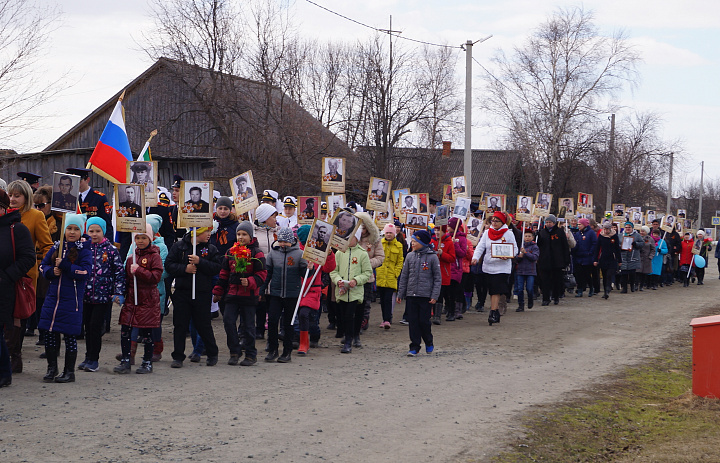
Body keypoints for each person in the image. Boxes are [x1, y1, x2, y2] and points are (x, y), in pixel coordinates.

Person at [38, 213, 93, 383]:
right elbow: (42, 266)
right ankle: (51, 368)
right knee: (50, 335)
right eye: (69, 228)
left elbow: (85, 272)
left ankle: (69, 371)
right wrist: (50, 272)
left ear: (81, 231)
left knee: (69, 336)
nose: (72, 232)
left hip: (71, 301)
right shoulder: (57, 247)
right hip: (53, 299)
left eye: (76, 229)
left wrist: (65, 266)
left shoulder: (85, 251)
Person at [5, 180, 53, 372]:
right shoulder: (4, 215)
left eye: (17, 195)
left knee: (19, 315)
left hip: (24, 274)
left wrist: (41, 264)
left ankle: (15, 356)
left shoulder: (35, 215)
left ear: (26, 196)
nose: (13, 199)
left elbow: (47, 245)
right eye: (10, 195)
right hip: (5, 273)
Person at [166, 226, 222, 367]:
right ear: (196, 233)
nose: (209, 234)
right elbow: (169, 265)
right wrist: (185, 269)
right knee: (180, 325)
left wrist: (200, 262)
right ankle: (178, 356)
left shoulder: (211, 249)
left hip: (202, 292)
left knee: (203, 325)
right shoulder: (179, 246)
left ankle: (212, 353)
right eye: (206, 232)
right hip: (182, 291)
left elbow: (216, 267)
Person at [213, 221, 267, 366]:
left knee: (248, 326)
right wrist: (218, 291)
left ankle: (250, 354)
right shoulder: (230, 252)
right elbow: (224, 274)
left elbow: (262, 274)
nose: (240, 237)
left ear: (250, 236)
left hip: (248, 295)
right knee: (228, 322)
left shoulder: (257, 253)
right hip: (232, 294)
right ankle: (234, 351)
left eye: (244, 234)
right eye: (238, 234)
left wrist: (250, 281)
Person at [114, 224, 163, 374]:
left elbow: (156, 277)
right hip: (131, 300)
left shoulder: (155, 256)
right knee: (125, 330)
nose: (140, 241)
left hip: (147, 300)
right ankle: (126, 360)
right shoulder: (131, 258)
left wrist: (139, 271)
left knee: (147, 333)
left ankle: (147, 361)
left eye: (143, 238)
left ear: (150, 238)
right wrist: (120, 293)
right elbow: (126, 279)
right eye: (137, 238)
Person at [78, 217, 125, 373]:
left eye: (98, 231)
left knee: (95, 326)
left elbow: (119, 272)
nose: (94, 234)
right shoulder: (82, 249)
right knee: (86, 327)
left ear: (103, 232)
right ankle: (87, 357)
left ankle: (94, 359)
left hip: (102, 296)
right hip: (84, 295)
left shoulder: (111, 250)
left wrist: (118, 291)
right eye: (91, 231)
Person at [0, 189, 35, 387]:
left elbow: (28, 257)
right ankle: (5, 371)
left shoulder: (17, 229)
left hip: (5, 288)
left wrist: (6, 277)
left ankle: (4, 372)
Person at [264, 228, 307, 363]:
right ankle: (273, 349)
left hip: (292, 294)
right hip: (275, 293)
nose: (282, 244)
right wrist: (262, 290)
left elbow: (306, 275)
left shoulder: (300, 254)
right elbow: (267, 275)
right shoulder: (273, 254)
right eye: (280, 241)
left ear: (291, 241)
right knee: (272, 321)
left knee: (289, 323)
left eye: (285, 242)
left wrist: (308, 268)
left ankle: (287, 351)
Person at [396, 229, 441, 356]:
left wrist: (434, 295)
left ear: (422, 242)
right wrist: (401, 293)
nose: (413, 243)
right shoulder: (410, 256)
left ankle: (428, 341)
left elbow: (438, 278)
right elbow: (404, 276)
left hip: (426, 296)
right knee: (413, 322)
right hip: (411, 295)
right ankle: (414, 346)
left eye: (415, 241)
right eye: (412, 241)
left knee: (424, 321)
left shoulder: (432, 257)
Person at [294, 225, 336, 356]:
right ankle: (303, 342)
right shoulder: (295, 252)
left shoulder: (318, 250)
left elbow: (328, 268)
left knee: (308, 315)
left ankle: (314, 337)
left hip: (313, 289)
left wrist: (329, 255)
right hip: (297, 290)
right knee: (301, 315)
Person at [330, 228, 372, 354]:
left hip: (355, 291)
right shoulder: (339, 252)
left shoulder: (362, 253)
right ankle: (349, 335)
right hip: (342, 290)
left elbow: (367, 272)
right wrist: (338, 280)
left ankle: (350, 340)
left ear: (357, 238)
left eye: (351, 237)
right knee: (343, 316)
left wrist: (356, 280)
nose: (348, 240)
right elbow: (333, 270)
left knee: (353, 314)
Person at [472, 211, 517, 325]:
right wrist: (475, 257)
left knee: (496, 290)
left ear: (503, 222)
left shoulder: (508, 234)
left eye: (497, 221)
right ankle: (496, 310)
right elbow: (480, 247)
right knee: (491, 290)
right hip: (488, 266)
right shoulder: (487, 233)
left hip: (502, 267)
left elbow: (515, 249)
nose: (494, 223)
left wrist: (507, 256)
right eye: (493, 221)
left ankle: (492, 312)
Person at [253, 203, 279, 341]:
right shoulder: (254, 233)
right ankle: (259, 329)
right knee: (260, 302)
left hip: (275, 273)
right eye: (273, 216)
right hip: (260, 273)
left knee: (273, 303)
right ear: (265, 218)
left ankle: (273, 330)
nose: (275, 219)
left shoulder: (279, 232)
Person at [355, 212, 385, 332]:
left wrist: (367, 264)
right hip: (353, 275)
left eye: (363, 226)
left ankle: (363, 322)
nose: (361, 229)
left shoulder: (375, 240)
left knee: (365, 302)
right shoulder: (352, 238)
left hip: (367, 276)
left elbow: (380, 257)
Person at [67, 167, 114, 241]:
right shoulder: (69, 198)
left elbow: (106, 223)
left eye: (79, 181)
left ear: (87, 180)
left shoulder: (99, 198)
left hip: (94, 239)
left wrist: (108, 244)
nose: (76, 184)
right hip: (76, 239)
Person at [536, 214, 570, 305]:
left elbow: (565, 246)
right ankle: (546, 299)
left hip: (557, 261)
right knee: (545, 281)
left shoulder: (559, 232)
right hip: (544, 260)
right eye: (546, 222)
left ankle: (556, 296)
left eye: (550, 222)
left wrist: (566, 260)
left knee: (556, 280)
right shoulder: (542, 232)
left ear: (554, 223)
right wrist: (536, 237)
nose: (548, 224)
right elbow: (538, 246)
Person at [375, 224, 404, 328]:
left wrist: (396, 272)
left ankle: (387, 319)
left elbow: (400, 261)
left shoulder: (399, 246)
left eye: (390, 232)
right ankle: (385, 319)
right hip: (380, 275)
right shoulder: (379, 243)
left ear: (394, 234)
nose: (388, 234)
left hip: (391, 276)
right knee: (382, 299)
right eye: (387, 232)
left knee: (388, 298)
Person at [571, 218, 598, 297]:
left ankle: (591, 288)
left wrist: (590, 252)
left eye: (580, 224)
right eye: (578, 224)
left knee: (587, 274)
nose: (578, 226)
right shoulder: (578, 234)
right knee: (579, 275)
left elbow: (594, 243)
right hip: (578, 257)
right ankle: (580, 290)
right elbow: (575, 243)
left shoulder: (591, 233)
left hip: (587, 257)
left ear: (585, 225)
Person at [514, 229, 539, 312]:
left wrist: (525, 253)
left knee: (529, 288)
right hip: (520, 270)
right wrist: (519, 257)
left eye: (529, 236)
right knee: (520, 289)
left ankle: (530, 299)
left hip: (530, 271)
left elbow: (534, 257)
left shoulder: (534, 247)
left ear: (532, 237)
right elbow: (516, 259)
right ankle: (520, 304)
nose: (527, 238)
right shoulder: (520, 246)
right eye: (526, 236)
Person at [619, 222, 644, 293]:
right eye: (626, 227)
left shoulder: (637, 235)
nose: (627, 229)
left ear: (632, 228)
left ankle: (632, 285)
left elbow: (642, 243)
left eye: (629, 227)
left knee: (632, 272)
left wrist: (635, 244)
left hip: (633, 256)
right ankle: (624, 288)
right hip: (623, 256)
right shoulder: (620, 235)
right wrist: (620, 247)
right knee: (624, 273)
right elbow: (617, 244)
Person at [637, 226, 656, 291]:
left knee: (643, 273)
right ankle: (636, 285)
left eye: (643, 231)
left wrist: (650, 257)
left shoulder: (650, 239)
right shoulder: (637, 237)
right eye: (641, 231)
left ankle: (641, 286)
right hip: (638, 257)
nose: (641, 232)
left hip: (646, 259)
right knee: (637, 273)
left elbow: (653, 249)